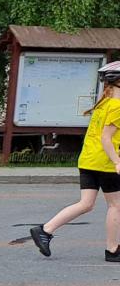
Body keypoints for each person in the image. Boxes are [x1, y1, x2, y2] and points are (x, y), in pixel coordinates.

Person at [29, 60, 120, 262]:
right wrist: (116, 161)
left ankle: (45, 230)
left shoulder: (104, 103)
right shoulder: (117, 106)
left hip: (88, 160)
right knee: (116, 205)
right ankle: (113, 249)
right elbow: (106, 138)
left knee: (86, 203)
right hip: (104, 162)